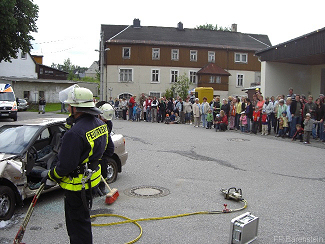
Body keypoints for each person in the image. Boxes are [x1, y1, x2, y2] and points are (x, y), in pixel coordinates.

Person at [41, 86, 111, 244]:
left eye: (69, 105)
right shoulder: (100, 124)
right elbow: (104, 149)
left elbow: (65, 166)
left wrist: (50, 175)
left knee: (77, 228)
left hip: (76, 187)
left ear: (75, 107)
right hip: (91, 181)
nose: (67, 107)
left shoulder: (75, 134)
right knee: (84, 223)